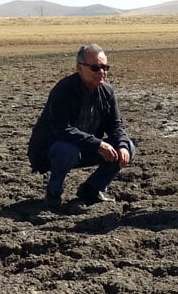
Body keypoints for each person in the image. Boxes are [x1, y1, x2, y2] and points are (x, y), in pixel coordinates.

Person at [28, 44, 135, 211]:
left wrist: (121, 145)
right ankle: (53, 194)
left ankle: (91, 189)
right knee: (67, 151)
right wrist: (98, 144)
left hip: (84, 147)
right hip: (52, 150)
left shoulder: (107, 92)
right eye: (95, 67)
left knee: (128, 146)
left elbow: (116, 125)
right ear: (79, 68)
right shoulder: (64, 90)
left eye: (105, 67)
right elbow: (61, 130)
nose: (102, 72)